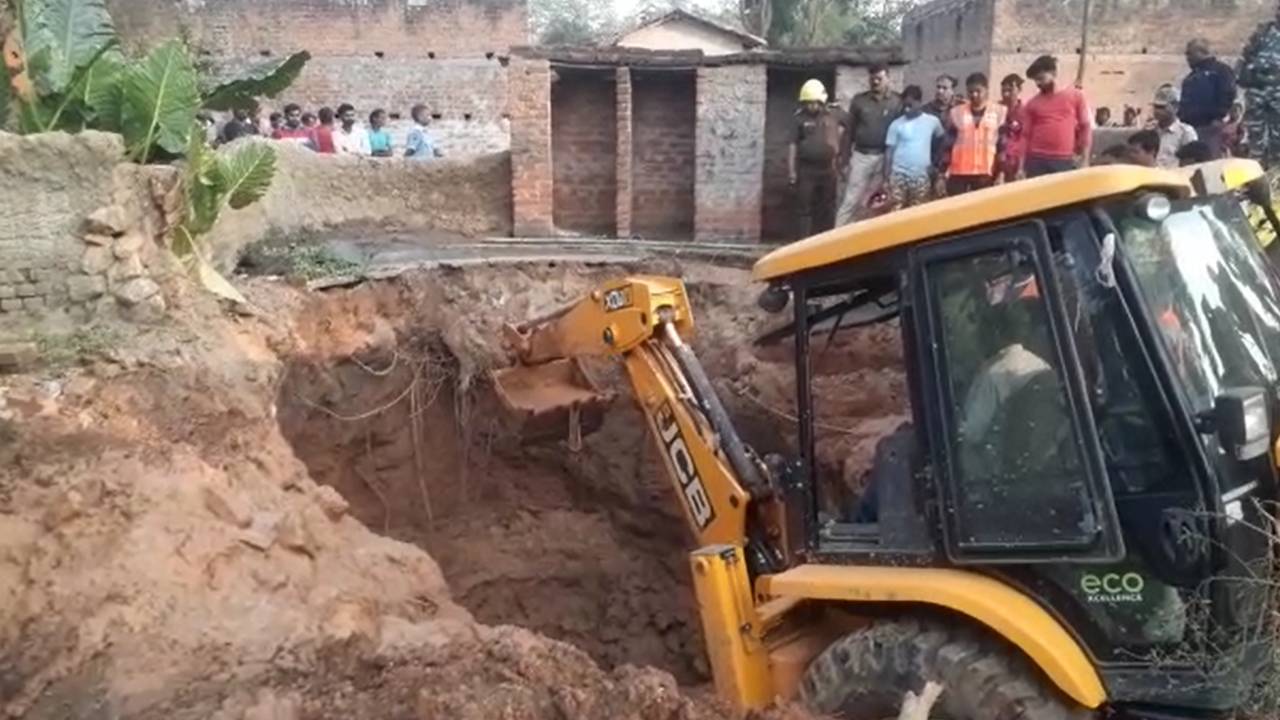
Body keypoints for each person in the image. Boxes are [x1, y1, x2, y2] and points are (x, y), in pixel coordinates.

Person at [836, 64, 901, 225]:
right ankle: (836, 236)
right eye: (873, 79)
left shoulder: (896, 101)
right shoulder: (859, 101)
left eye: (879, 78)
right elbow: (849, 131)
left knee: (875, 202)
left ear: (888, 78)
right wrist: (844, 159)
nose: (876, 82)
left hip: (884, 158)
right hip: (861, 156)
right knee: (851, 199)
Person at [1020, 55, 1092, 177]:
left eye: (1041, 78)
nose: (1038, 83)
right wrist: (1021, 166)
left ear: (1053, 73)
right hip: (1036, 159)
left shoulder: (1075, 96)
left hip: (1063, 160)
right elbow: (1025, 136)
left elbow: (1085, 127)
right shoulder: (1032, 104)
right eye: (1035, 80)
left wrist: (1085, 159)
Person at [788, 79, 843, 238]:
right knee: (804, 208)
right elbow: (792, 145)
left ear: (821, 101)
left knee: (827, 207)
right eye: (808, 103)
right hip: (806, 170)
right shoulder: (798, 118)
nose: (811, 106)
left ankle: (825, 242)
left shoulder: (832, 115)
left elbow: (850, 124)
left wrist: (840, 155)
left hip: (828, 169)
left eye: (814, 103)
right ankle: (803, 242)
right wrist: (791, 172)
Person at [881, 85, 944, 211]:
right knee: (895, 211)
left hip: (921, 176)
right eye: (904, 106)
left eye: (910, 105)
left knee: (919, 212)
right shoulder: (896, 124)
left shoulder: (932, 122)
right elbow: (889, 152)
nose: (906, 109)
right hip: (898, 175)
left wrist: (936, 165)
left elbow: (942, 141)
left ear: (919, 102)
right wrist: (886, 178)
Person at [942, 72, 1006, 195]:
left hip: (985, 174)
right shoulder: (956, 113)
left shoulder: (999, 112)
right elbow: (947, 146)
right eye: (970, 92)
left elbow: (1002, 146)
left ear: (986, 90)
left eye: (978, 91)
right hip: (958, 174)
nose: (974, 95)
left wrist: (1001, 173)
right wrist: (942, 173)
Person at [1179, 38, 1236, 158]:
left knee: (1210, 161)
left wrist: (1218, 118)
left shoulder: (1220, 71)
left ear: (1201, 52)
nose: (1187, 57)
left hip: (1211, 127)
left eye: (1189, 53)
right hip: (1191, 128)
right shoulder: (1190, 78)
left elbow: (1228, 94)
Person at [1240, 9, 1280, 168]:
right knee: (1254, 139)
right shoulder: (1262, 32)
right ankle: (1256, 175)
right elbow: (1246, 56)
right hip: (1257, 92)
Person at [1150, 85, 1198, 169]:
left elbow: (1191, 162)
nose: (1157, 111)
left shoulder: (1185, 132)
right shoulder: (1151, 130)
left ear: (1175, 107)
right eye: (1156, 107)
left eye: (1162, 107)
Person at [997, 74, 1025, 183]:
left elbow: (1025, 141)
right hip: (996, 163)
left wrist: (1021, 167)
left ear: (1019, 90)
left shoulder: (1025, 113)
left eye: (1010, 90)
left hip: (1015, 164)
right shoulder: (995, 110)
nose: (1006, 95)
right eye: (1003, 91)